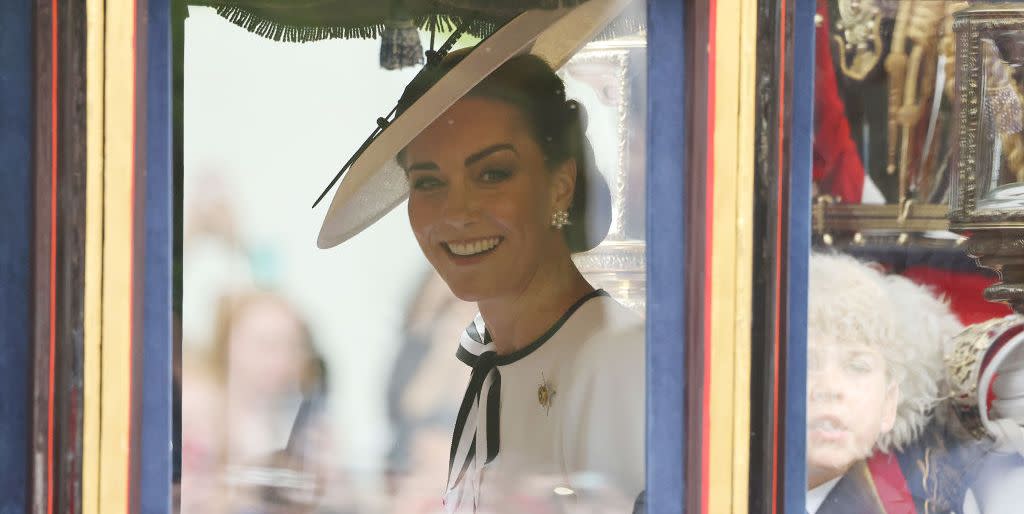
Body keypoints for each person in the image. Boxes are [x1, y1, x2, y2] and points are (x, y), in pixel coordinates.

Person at [315, 17, 645, 513]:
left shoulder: (615, 358)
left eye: (492, 173)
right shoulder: (487, 366)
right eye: (428, 182)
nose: (456, 214)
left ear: (560, 183)